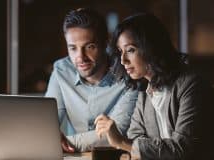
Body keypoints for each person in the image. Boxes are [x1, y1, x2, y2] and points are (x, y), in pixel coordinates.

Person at [95, 13, 214, 160]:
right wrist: (132, 145)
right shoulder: (144, 93)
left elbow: (182, 149)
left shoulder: (191, 85)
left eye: (131, 50)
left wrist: (121, 142)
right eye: (120, 51)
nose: (123, 60)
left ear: (151, 47)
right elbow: (135, 137)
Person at [45, 8, 138, 152]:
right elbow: (47, 123)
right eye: (73, 48)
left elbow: (116, 133)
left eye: (89, 47)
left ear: (105, 42)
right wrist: (48, 137)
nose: (80, 57)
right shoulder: (61, 71)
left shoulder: (128, 74)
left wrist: (57, 143)